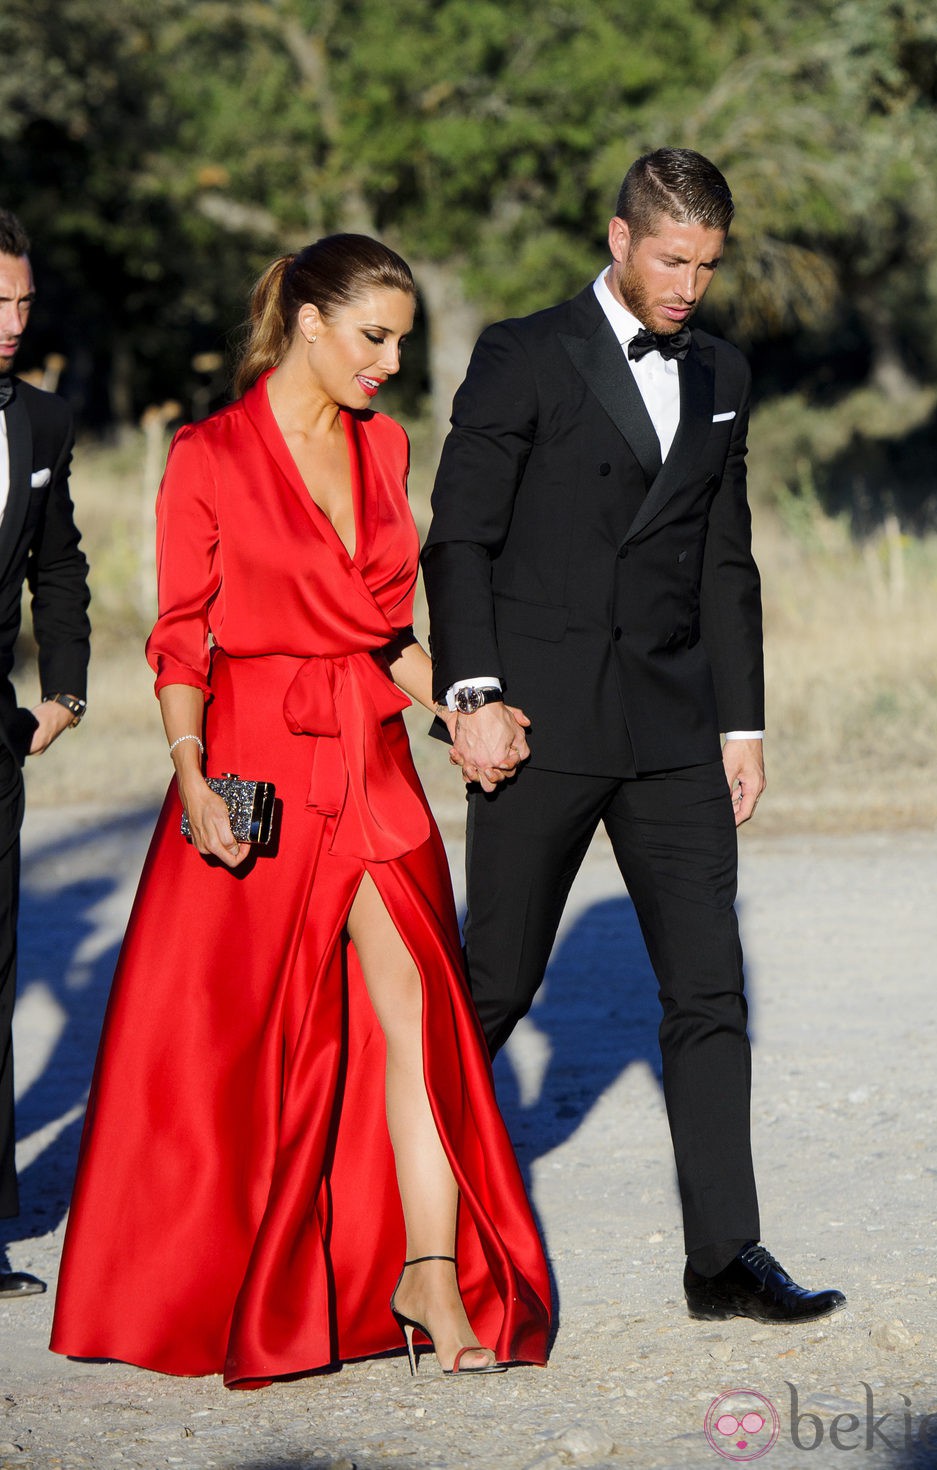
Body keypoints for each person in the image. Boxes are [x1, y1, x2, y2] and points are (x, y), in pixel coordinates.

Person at [50, 234, 550, 1386]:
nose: (388, 364)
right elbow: (182, 636)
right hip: (254, 771)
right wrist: (189, 774)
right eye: (372, 338)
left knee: (418, 1020)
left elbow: (386, 640)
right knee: (236, 1048)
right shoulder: (207, 455)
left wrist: (466, 711)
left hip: (372, 768)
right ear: (309, 322)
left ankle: (428, 1270)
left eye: (400, 344)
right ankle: (216, 1287)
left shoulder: (384, 452)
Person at [422, 150, 845, 1324]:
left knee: (708, 993)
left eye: (706, 266)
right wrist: (471, 695)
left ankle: (725, 1258)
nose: (688, 287)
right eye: (670, 259)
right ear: (617, 238)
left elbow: (724, 554)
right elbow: (457, 540)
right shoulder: (520, 351)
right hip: (537, 721)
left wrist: (740, 722)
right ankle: (386, 1218)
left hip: (670, 727)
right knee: (493, 985)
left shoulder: (721, 369)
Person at [0, 209, 90, 1300]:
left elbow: (58, 566)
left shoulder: (45, 422)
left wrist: (61, 689)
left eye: (23, 302)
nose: (14, 323)